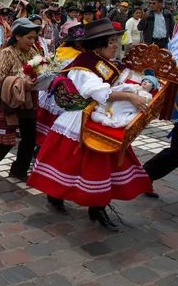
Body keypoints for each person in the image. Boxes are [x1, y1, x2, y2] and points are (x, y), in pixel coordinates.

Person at [27, 19, 152, 229]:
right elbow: (99, 92)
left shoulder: (105, 62)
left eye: (115, 41)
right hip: (80, 120)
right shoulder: (84, 65)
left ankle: (98, 207)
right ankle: (57, 195)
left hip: (101, 118)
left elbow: (115, 85)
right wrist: (130, 97)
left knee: (103, 166)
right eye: (111, 42)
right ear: (98, 44)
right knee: (68, 163)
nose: (115, 46)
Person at [0, 18, 41, 182]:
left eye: (34, 38)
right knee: (6, 139)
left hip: (28, 102)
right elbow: (0, 78)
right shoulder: (6, 53)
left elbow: (39, 68)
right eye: (29, 38)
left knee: (29, 138)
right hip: (10, 102)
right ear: (18, 36)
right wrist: (23, 81)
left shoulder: (32, 52)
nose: (32, 41)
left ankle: (19, 170)